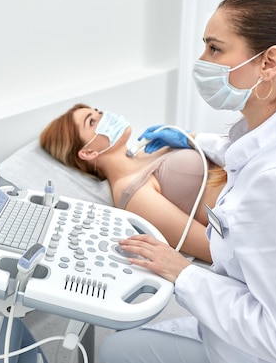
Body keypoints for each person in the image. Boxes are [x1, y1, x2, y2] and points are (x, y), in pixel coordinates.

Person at [98, 0, 276, 363]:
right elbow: (242, 150)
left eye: (215, 48)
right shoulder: (272, 133)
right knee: (122, 343)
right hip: (236, 336)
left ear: (268, 62)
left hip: (275, 354)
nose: (201, 60)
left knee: (116, 351)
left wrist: (183, 273)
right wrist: (190, 138)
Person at [39, 103, 225, 263]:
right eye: (92, 121)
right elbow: (212, 248)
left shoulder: (151, 147)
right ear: (88, 152)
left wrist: (191, 137)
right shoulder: (132, 192)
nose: (104, 116)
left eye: (99, 112)